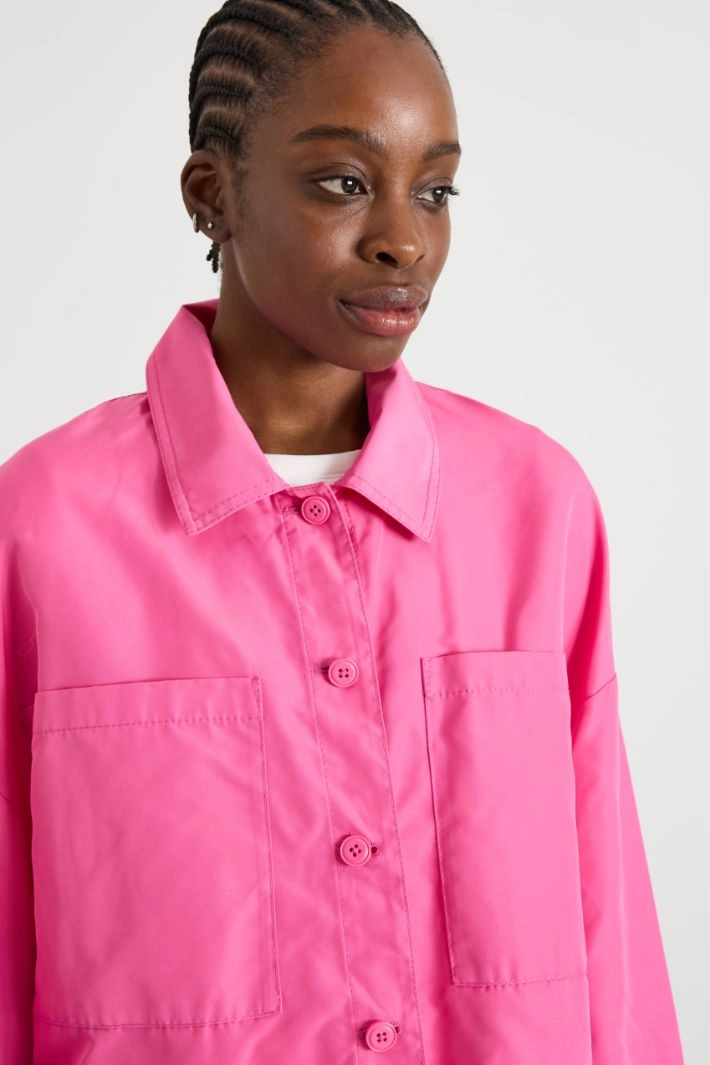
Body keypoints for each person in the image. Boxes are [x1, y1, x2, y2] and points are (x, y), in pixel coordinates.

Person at [0, 2, 685, 1063]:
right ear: (212, 195)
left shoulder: (536, 508)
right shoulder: (41, 529)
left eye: (435, 190)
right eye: (343, 182)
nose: (403, 238)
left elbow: (612, 933)